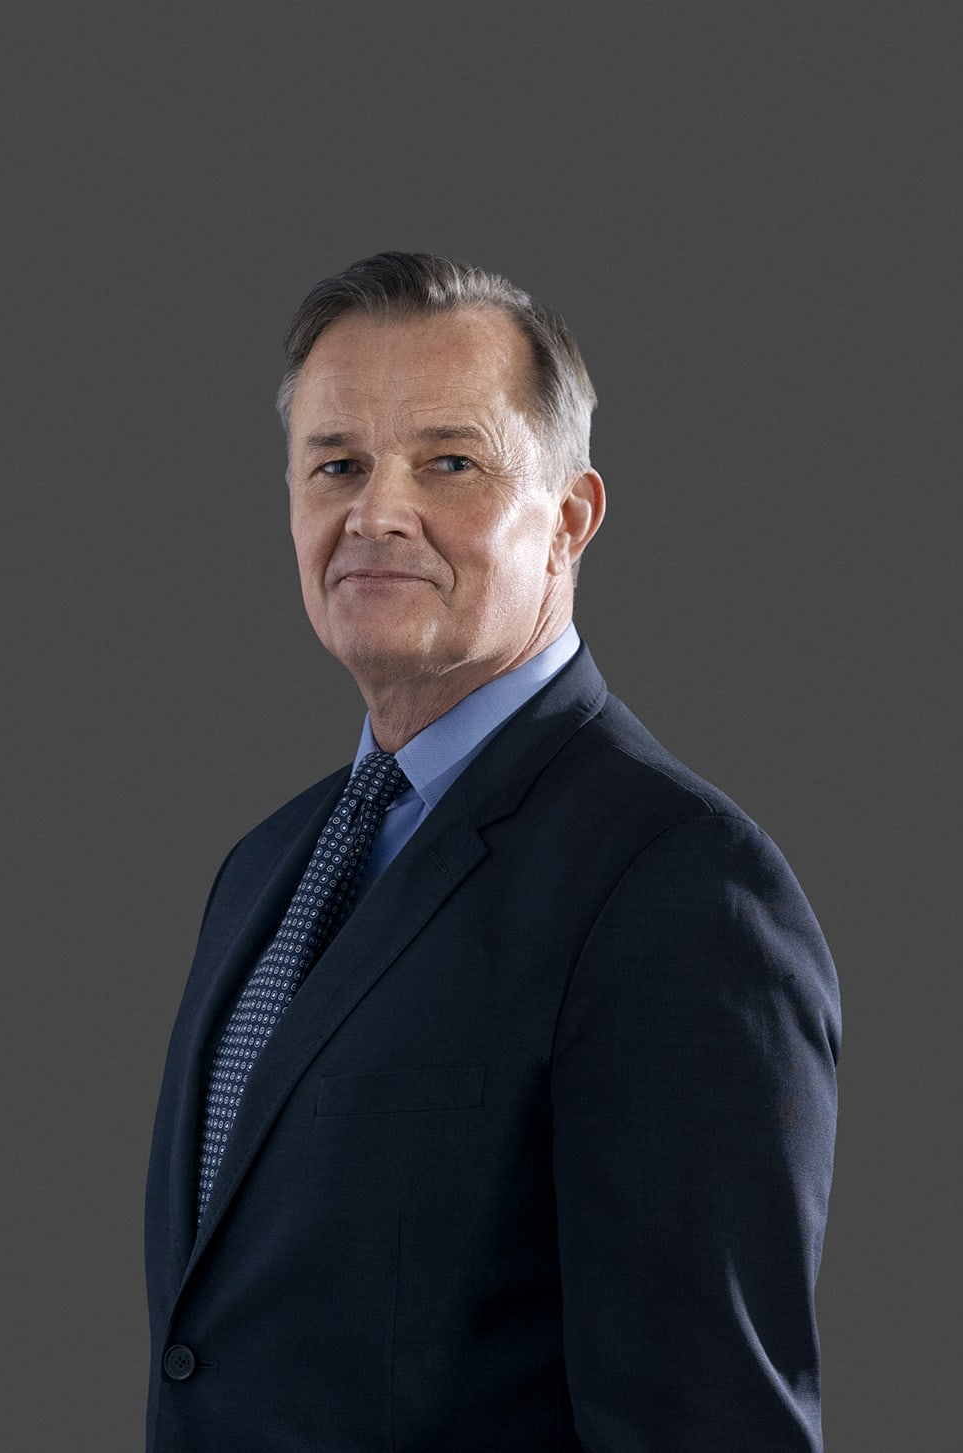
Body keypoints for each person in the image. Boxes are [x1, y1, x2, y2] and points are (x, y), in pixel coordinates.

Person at [144, 252, 841, 1451]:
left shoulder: (681, 891)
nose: (377, 513)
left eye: (448, 463)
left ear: (569, 519)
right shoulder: (265, 867)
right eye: (337, 464)